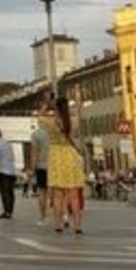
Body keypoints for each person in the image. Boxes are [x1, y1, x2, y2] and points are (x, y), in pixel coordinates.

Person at [47, 96, 85, 235]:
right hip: (70, 155)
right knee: (74, 195)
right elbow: (75, 134)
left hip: (56, 156)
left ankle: (58, 224)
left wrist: (48, 105)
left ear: (55, 108)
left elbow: (40, 116)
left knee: (58, 195)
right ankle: (77, 225)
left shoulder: (50, 122)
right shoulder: (72, 121)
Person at [28, 110, 54, 222]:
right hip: (54, 165)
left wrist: (32, 169)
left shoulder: (36, 135)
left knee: (42, 192)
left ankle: (43, 216)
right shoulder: (54, 133)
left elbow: (34, 153)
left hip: (41, 166)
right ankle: (62, 215)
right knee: (55, 191)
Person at [0, 127, 17, 219]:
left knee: (4, 192)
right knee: (10, 192)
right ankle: (10, 211)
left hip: (3, 171)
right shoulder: (7, 143)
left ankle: (6, 211)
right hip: (11, 171)